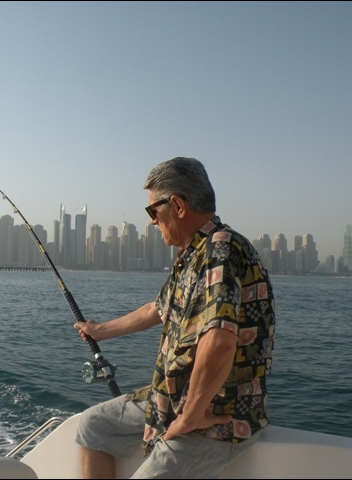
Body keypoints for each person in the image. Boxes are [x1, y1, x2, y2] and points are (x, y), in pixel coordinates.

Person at [74, 157, 275, 479]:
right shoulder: (194, 253)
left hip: (215, 414)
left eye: (153, 211)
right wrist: (99, 331)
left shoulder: (220, 252)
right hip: (173, 397)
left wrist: (191, 415)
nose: (153, 222)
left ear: (178, 206)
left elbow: (220, 340)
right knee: (93, 426)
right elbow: (157, 309)